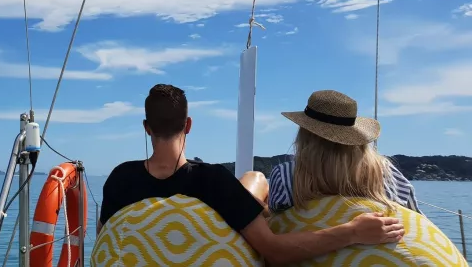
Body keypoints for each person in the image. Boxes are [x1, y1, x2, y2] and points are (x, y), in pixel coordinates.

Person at [98, 84, 405, 266]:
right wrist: (353, 232)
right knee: (255, 179)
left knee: (253, 181)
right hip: (240, 200)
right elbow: (273, 251)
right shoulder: (212, 180)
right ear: (188, 125)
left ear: (146, 127)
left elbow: (105, 242)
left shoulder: (118, 178)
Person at [268, 89, 421, 214]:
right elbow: (416, 220)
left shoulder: (285, 175)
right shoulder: (387, 173)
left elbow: (276, 224)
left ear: (305, 133)